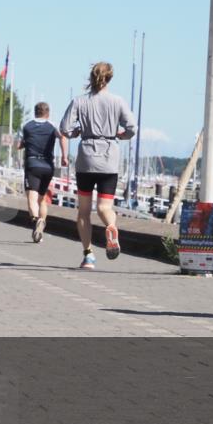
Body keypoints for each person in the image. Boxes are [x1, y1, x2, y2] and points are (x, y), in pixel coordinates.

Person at [59, 62, 136, 270]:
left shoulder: (79, 101)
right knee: (104, 207)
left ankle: (88, 255)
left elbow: (64, 128)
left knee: (83, 211)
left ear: (91, 78)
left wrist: (75, 132)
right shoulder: (118, 101)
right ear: (109, 79)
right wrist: (121, 134)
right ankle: (111, 226)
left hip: (86, 158)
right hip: (109, 158)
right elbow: (131, 128)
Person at [15, 102, 67, 243]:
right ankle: (41, 225)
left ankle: (36, 221)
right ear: (47, 113)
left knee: (32, 198)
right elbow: (62, 137)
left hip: (32, 164)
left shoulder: (27, 126)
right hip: (47, 166)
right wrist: (64, 156)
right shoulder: (52, 126)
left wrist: (26, 143)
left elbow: (18, 145)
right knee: (42, 199)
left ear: (35, 112)